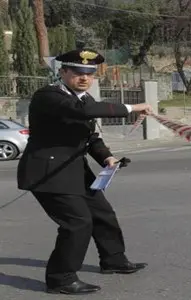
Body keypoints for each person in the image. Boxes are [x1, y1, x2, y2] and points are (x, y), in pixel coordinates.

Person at [16, 49, 152, 295]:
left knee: (103, 214)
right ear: (63, 72)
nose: (84, 78)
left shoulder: (84, 99)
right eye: (78, 72)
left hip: (75, 172)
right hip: (49, 174)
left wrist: (107, 158)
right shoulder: (49, 95)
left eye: (89, 74)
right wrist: (132, 107)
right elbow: (83, 113)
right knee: (77, 223)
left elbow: (90, 138)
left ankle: (113, 260)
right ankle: (61, 278)